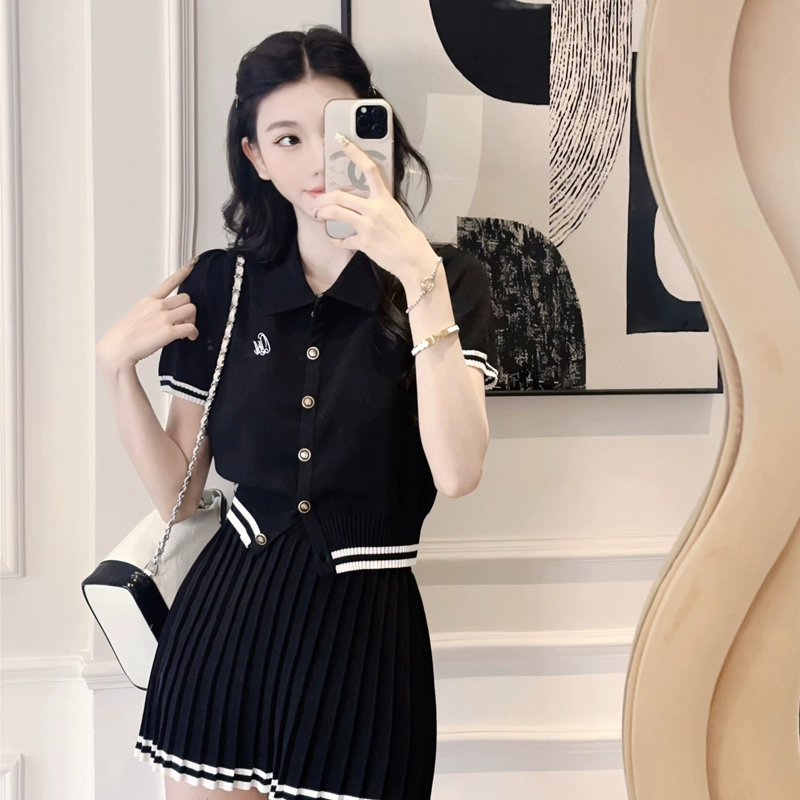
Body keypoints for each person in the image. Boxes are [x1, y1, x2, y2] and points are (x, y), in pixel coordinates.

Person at [95, 24, 498, 800]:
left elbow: (457, 472)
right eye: (287, 139)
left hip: (365, 643)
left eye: (335, 128)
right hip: (221, 634)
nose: (316, 161)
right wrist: (116, 373)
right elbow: (180, 499)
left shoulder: (447, 279)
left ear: (374, 127)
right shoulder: (222, 286)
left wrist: (416, 273)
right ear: (255, 156)